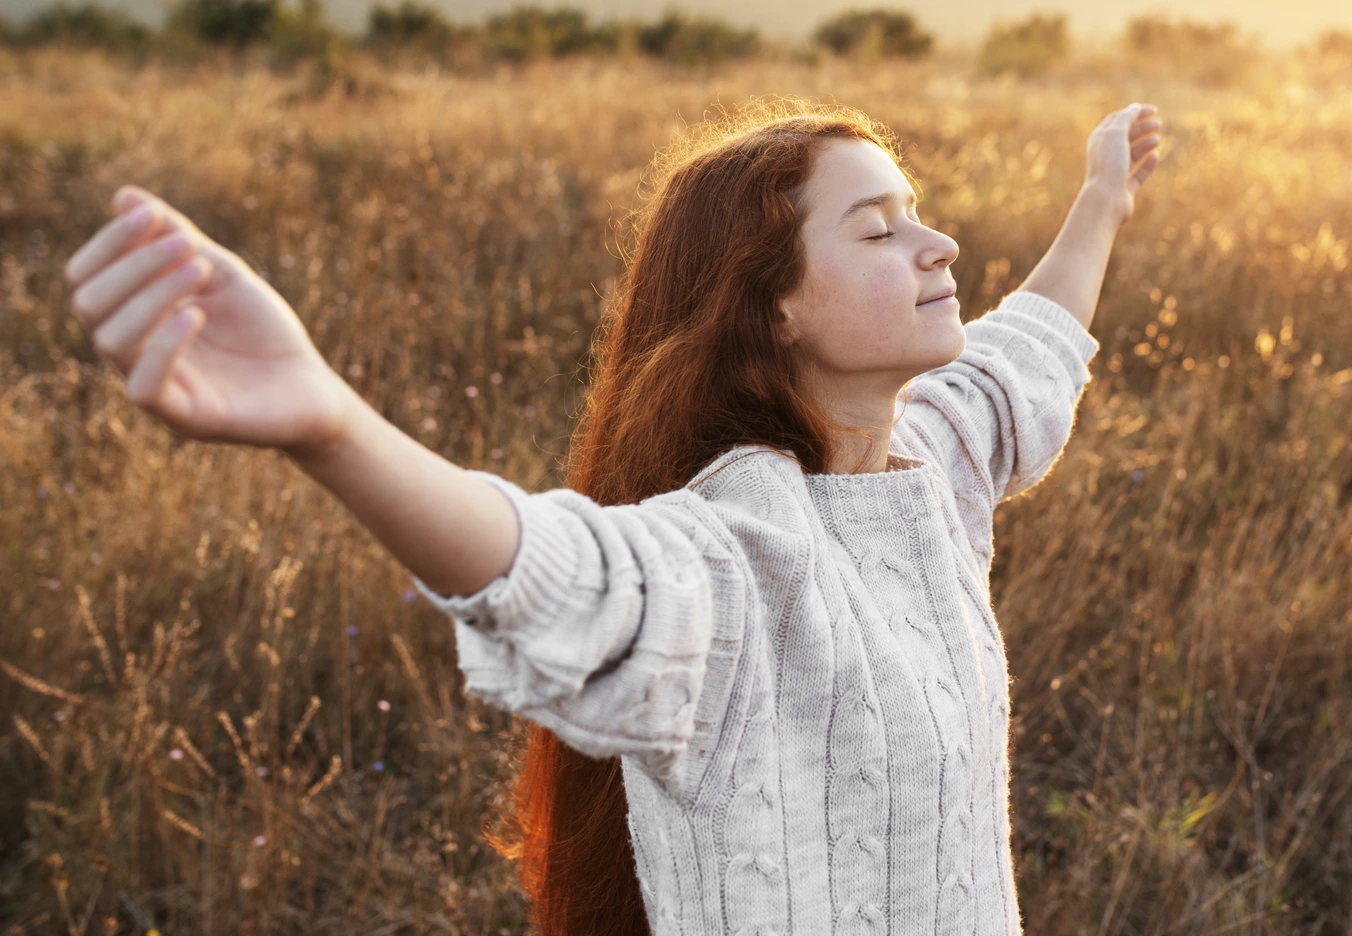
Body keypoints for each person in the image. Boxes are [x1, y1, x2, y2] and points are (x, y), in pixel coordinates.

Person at [62, 97, 1162, 936]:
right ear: (773, 307)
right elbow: (560, 573)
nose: (939, 246)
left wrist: (1101, 199)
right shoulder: (742, 551)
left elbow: (1025, 359)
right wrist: (331, 427)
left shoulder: (930, 458)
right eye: (878, 232)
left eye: (916, 215)